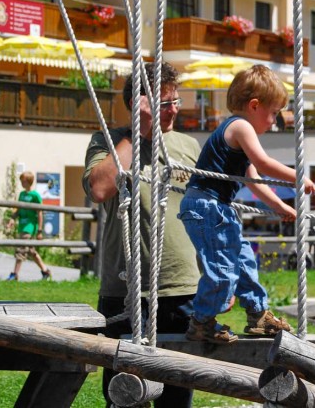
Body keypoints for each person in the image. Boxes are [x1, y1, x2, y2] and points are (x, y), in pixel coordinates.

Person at [83, 62, 201, 408]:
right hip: (125, 293)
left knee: (177, 397)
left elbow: (208, 215)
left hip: (182, 290)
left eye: (176, 100)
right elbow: (100, 188)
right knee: (124, 396)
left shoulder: (189, 146)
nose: (175, 109)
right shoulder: (107, 140)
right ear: (140, 105)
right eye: (165, 103)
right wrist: (140, 131)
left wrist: (217, 281)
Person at [178, 64, 315, 344]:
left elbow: (253, 180)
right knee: (222, 269)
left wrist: (279, 206)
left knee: (243, 260)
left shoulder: (237, 135)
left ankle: (257, 314)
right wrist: (298, 177)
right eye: (273, 113)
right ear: (255, 106)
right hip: (207, 206)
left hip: (216, 208)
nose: (274, 121)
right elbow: (264, 164)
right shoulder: (240, 126)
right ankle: (202, 322)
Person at [7, 171, 52, 281]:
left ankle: (14, 274)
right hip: (22, 225)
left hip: (30, 226)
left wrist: (40, 230)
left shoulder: (35, 195)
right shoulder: (22, 194)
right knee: (31, 251)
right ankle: (45, 271)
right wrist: (12, 219)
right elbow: (18, 208)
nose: (22, 183)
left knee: (21, 249)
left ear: (29, 182)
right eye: (21, 181)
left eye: (24, 181)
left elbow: (39, 212)